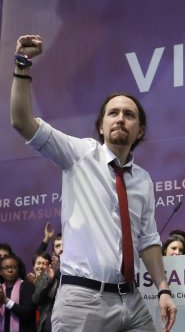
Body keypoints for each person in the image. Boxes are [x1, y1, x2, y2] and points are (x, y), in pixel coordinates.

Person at [10, 34, 175, 331]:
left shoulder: (143, 180)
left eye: (129, 114)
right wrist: (22, 65)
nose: (120, 119)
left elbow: (148, 241)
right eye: (113, 113)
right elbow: (22, 120)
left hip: (132, 301)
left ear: (140, 130)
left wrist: (163, 289)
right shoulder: (79, 154)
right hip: (83, 300)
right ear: (101, 126)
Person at [0, 254, 37, 332]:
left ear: (18, 269)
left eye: (14, 267)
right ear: (1, 272)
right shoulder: (1, 288)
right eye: (6, 268)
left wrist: (5, 300)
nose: (10, 270)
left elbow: (27, 313)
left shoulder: (27, 286)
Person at [30, 252, 58, 332]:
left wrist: (47, 281)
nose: (41, 266)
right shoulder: (27, 282)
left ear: (49, 266)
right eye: (38, 263)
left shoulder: (54, 282)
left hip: (47, 325)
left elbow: (37, 299)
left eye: (44, 264)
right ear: (33, 266)